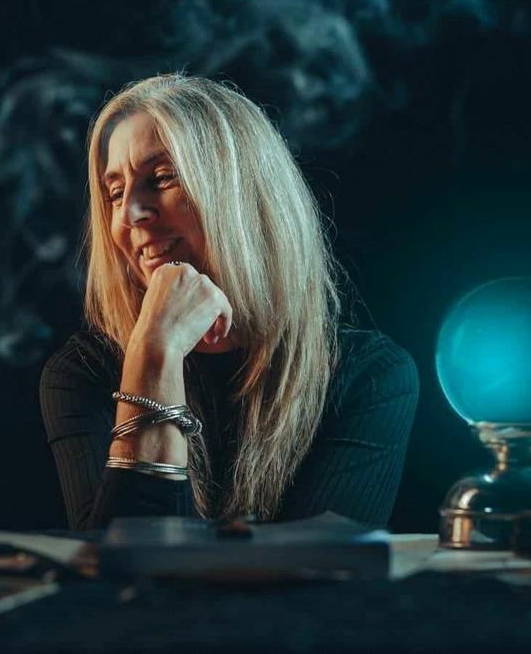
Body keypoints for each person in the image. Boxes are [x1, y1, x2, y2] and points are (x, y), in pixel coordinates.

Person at [40, 74, 418, 530]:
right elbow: (125, 565)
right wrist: (156, 352)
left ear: (241, 196)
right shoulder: (81, 375)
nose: (130, 214)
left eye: (161, 178)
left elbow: (318, 572)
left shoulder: (370, 377)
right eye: (115, 193)